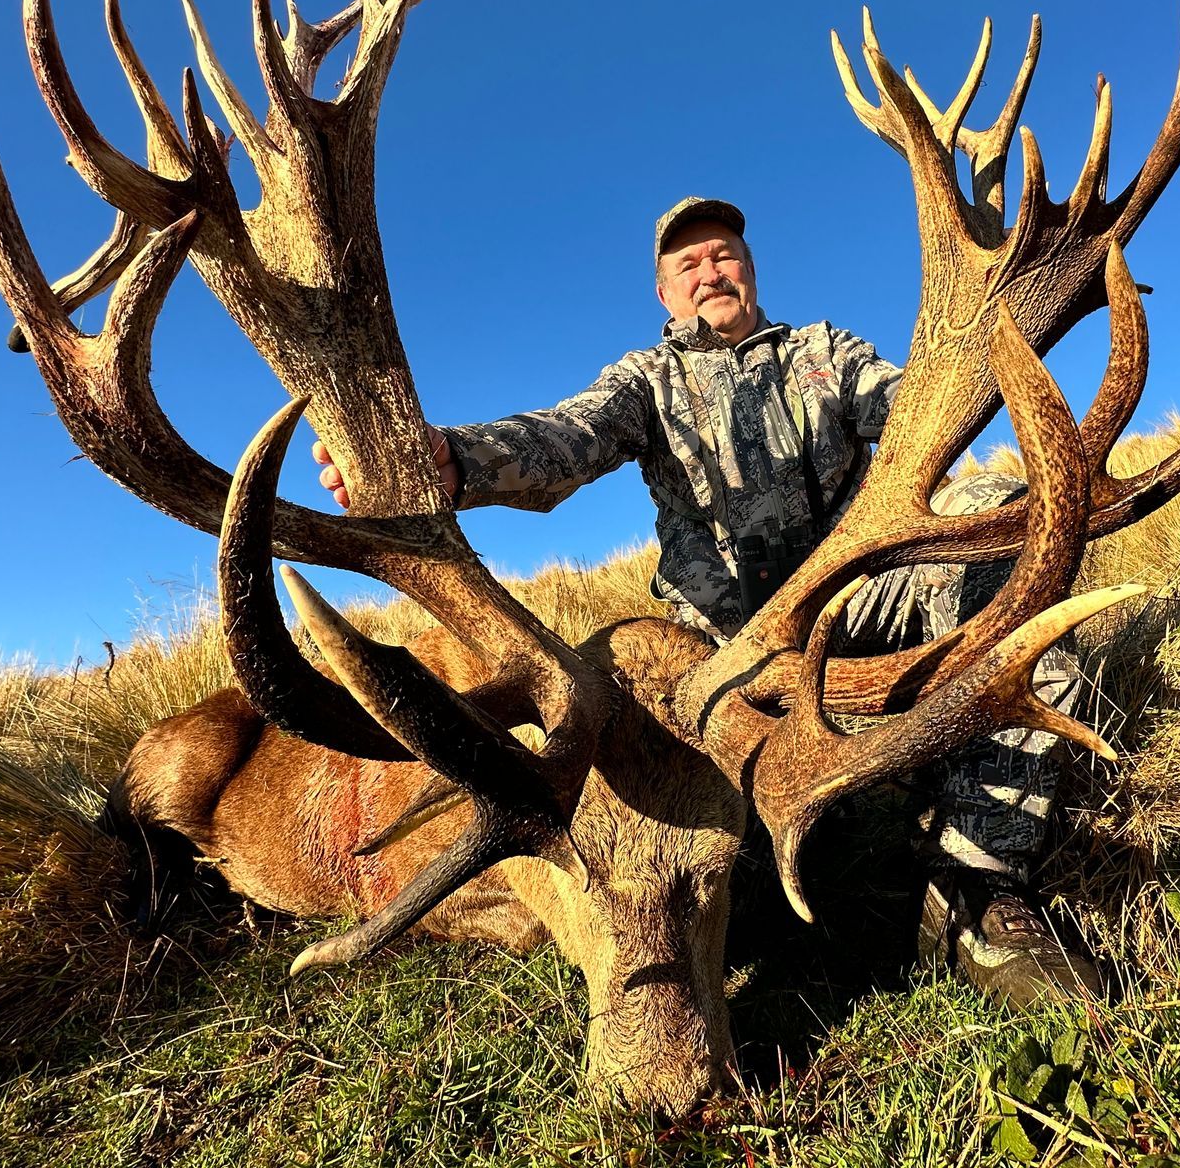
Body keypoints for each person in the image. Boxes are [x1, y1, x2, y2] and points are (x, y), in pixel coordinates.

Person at [314, 196, 1100, 1005]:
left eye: (723, 254)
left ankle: (975, 885)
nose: (709, 272)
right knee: (719, 873)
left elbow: (920, 412)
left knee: (997, 509)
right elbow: (566, 437)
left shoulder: (822, 352)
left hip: (853, 607)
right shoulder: (645, 382)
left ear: (750, 269)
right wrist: (455, 458)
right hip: (721, 658)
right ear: (665, 294)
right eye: (687, 264)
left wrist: (985, 357)